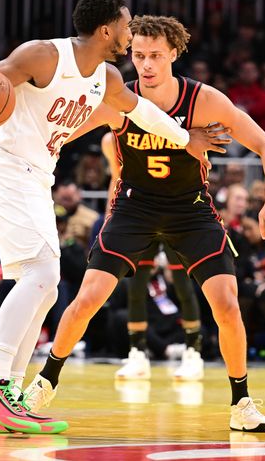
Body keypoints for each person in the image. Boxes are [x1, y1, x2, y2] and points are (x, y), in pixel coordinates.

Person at [0, 0, 226, 434]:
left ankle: (9, 391)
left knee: (46, 286)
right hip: (6, 168)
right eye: (126, 24)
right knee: (41, 277)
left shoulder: (107, 77)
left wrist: (185, 138)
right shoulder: (43, 55)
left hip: (37, 176)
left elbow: (146, 115)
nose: (130, 31)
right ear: (105, 30)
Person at [22, 15, 265, 433]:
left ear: (175, 54)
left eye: (155, 56)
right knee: (88, 297)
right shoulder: (117, 100)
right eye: (139, 55)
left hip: (190, 209)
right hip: (134, 208)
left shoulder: (204, 100)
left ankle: (242, 403)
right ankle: (43, 383)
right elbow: (60, 130)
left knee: (228, 305)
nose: (145, 64)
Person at [100, 131, 204, 382]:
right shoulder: (112, 139)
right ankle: (137, 353)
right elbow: (117, 178)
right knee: (135, 285)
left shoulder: (175, 125)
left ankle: (193, 352)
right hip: (139, 212)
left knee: (182, 283)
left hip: (175, 211)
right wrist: (110, 217)